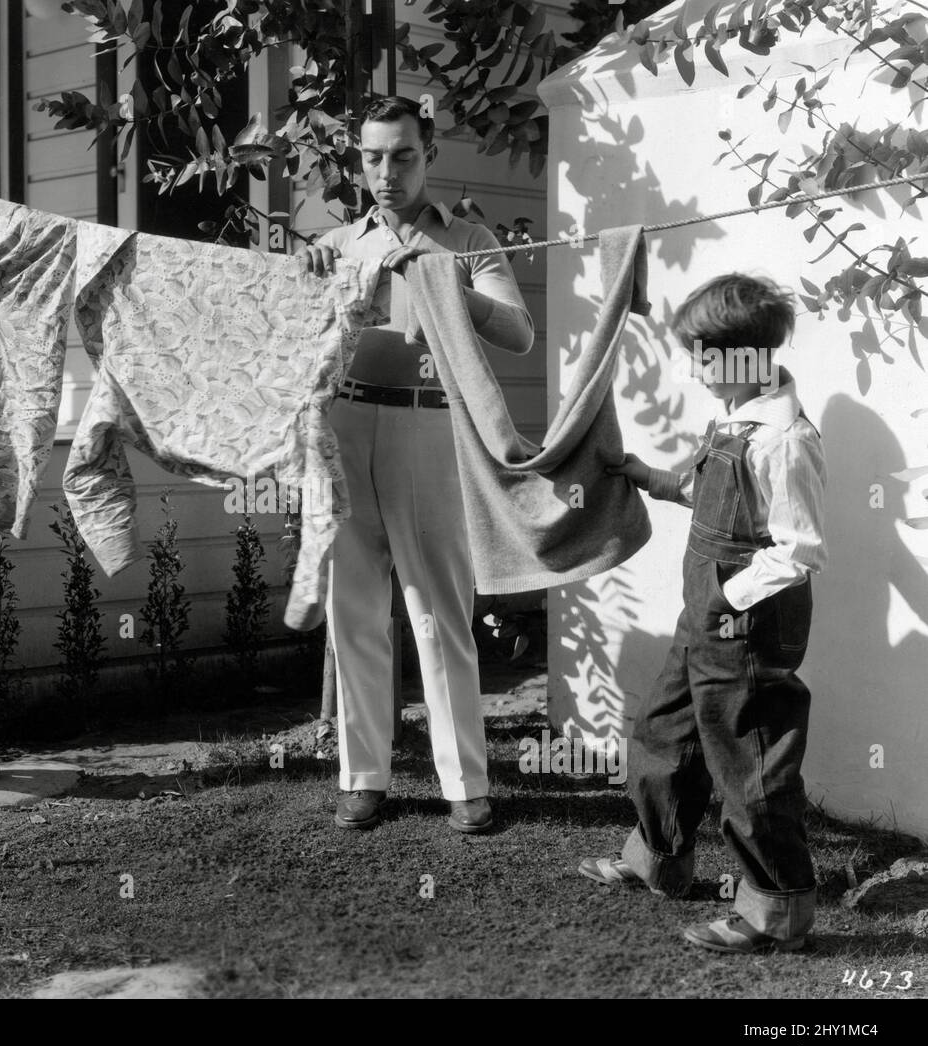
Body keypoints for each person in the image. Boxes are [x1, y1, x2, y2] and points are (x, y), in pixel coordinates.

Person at [300, 95, 534, 833]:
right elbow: (294, 341)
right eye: (371, 157)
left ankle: (465, 786)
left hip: (427, 428)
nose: (386, 171)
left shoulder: (466, 238)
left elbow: (521, 334)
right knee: (354, 610)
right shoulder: (336, 243)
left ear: (427, 153)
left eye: (402, 155)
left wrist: (447, 280)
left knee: (438, 612)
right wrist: (307, 278)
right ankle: (363, 778)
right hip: (342, 427)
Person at [580, 273, 826, 953]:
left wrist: (728, 599)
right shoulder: (735, 421)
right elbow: (711, 498)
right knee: (665, 732)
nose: (694, 368)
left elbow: (799, 549)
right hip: (707, 616)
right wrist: (649, 478)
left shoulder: (783, 440)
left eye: (702, 356)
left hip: (749, 623)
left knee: (749, 760)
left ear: (746, 356)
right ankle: (658, 858)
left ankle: (776, 912)